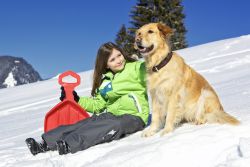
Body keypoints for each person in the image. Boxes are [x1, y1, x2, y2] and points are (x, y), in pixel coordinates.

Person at [25, 42, 149, 155]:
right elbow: (98, 105)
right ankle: (45, 144)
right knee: (88, 122)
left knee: (114, 124)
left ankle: (69, 144)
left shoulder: (136, 68)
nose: (118, 60)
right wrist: (76, 99)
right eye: (112, 59)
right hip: (111, 114)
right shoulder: (105, 81)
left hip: (135, 117)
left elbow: (153, 67)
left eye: (119, 55)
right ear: (106, 65)